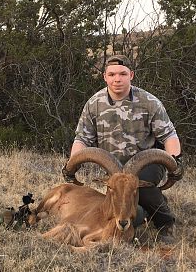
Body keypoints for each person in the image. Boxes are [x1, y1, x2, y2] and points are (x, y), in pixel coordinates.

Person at [63, 54, 183, 244]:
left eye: (122, 74)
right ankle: (144, 211)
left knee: (141, 186)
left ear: (131, 75)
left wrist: (175, 162)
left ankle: (165, 223)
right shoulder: (94, 104)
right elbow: (82, 138)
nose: (117, 79)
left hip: (146, 163)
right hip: (114, 167)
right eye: (111, 74)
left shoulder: (149, 102)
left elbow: (169, 136)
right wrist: (72, 165)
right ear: (105, 77)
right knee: (125, 208)